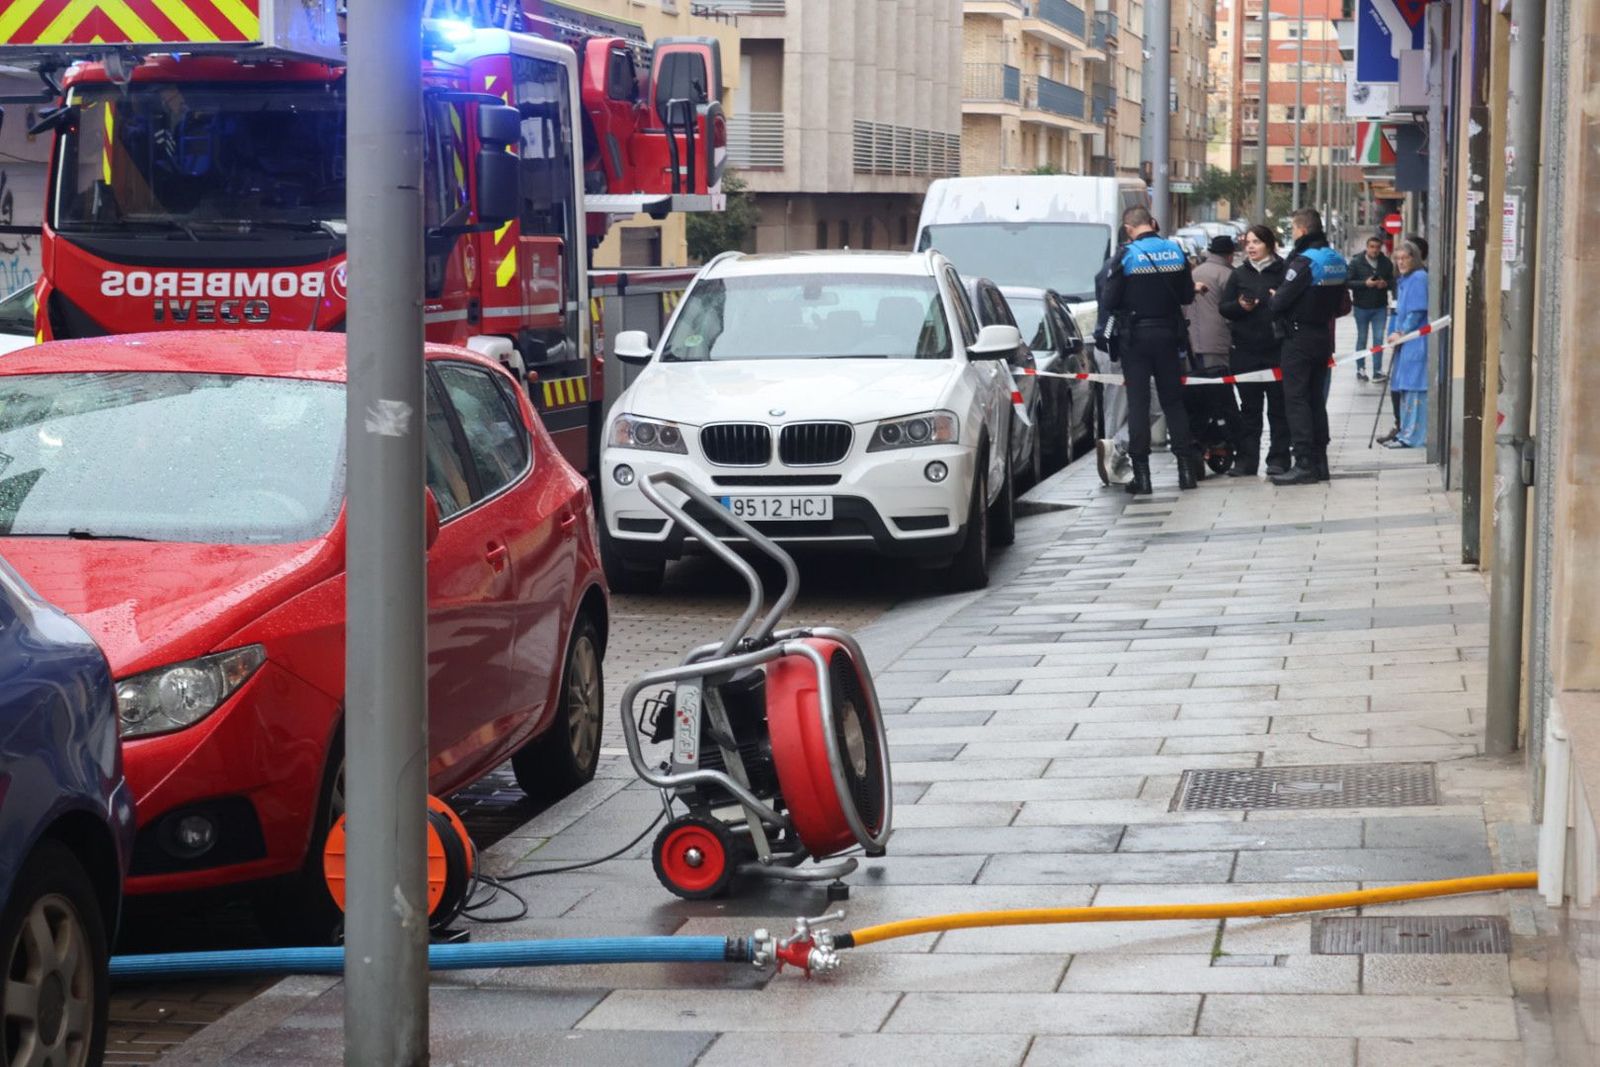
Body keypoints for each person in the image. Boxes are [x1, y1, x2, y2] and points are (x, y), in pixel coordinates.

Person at [1093, 206, 1198, 495]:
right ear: (1151, 222)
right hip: (1169, 334)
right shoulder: (1175, 251)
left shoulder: (1127, 256)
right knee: (1173, 403)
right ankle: (1186, 472)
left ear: (1128, 228)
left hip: (1135, 338)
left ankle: (1142, 476)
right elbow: (1186, 295)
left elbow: (1109, 300)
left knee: (1138, 403)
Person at [1268, 208, 1348, 486]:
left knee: (1297, 400)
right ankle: (1320, 461)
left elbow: (1279, 302)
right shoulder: (1336, 259)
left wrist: (1274, 297)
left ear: (1301, 230)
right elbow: (1342, 303)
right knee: (1315, 399)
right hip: (1322, 335)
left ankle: (1303, 462)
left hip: (1299, 337)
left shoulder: (1305, 261)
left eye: (1293, 228)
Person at [1219, 224, 1291, 478]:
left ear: (1269, 245)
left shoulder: (1284, 271)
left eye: (1256, 242)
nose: (1250, 247)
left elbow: (1294, 303)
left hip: (1276, 349)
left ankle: (1279, 458)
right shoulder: (1239, 274)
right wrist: (1240, 306)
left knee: (1278, 409)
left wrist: (1277, 300)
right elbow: (1224, 308)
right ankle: (1247, 460)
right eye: (1248, 242)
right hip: (1245, 351)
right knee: (1249, 410)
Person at [1183, 235, 1244, 482]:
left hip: (1191, 345)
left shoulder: (1194, 273)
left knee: (1197, 397)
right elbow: (1232, 312)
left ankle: (1203, 438)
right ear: (1230, 254)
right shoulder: (1228, 275)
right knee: (1220, 396)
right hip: (1218, 344)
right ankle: (1223, 438)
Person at [1380, 239, 1430, 449]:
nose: (1400, 262)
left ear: (1414, 258)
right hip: (1407, 342)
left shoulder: (1418, 278)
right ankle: (1405, 432)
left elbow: (1417, 311)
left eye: (1405, 258)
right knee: (1406, 390)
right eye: (1397, 258)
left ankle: (1413, 436)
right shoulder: (1404, 280)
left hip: (1416, 341)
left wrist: (1401, 332)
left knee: (1415, 389)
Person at [1346, 235, 1394, 382]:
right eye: (1372, 247)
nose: (1375, 250)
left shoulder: (1386, 263)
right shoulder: (1356, 262)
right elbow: (1347, 282)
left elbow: (1393, 281)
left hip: (1380, 307)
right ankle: (1361, 369)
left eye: (1377, 247)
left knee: (1378, 339)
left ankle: (1377, 371)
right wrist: (1365, 284)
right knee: (1362, 338)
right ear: (1367, 247)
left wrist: (1385, 284)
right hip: (1361, 307)